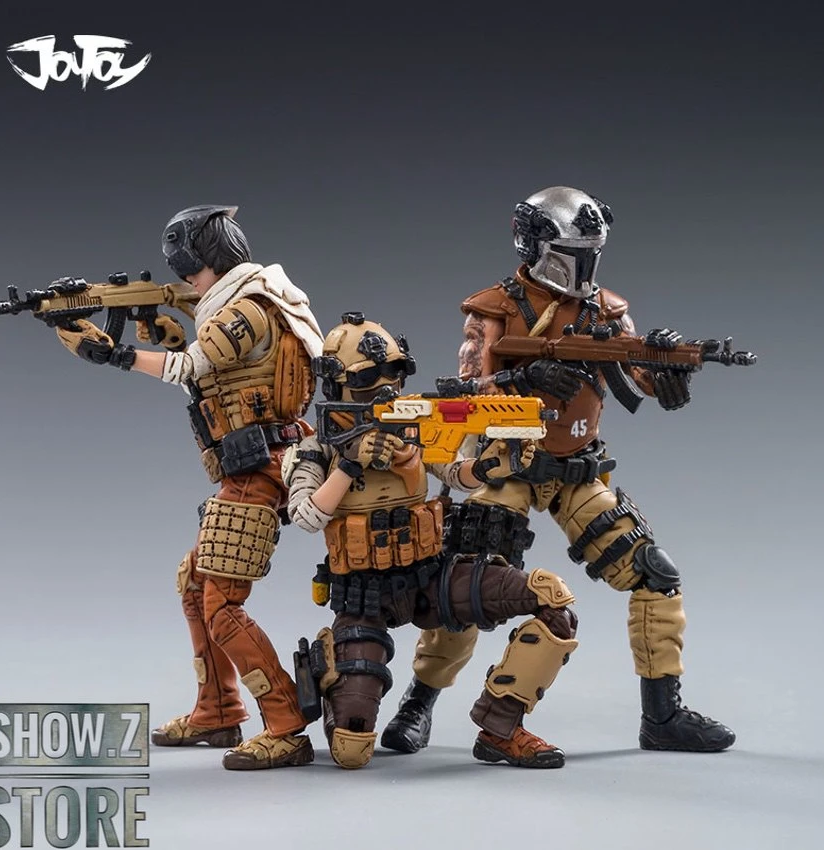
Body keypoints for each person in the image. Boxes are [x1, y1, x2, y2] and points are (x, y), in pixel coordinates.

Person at [383, 186, 736, 757]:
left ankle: (662, 716)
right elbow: (461, 394)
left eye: (592, 253)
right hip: (508, 465)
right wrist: (520, 380)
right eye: (576, 253)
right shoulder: (494, 310)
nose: (586, 265)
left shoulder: (606, 311)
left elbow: (641, 376)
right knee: (467, 587)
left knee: (654, 574)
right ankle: (418, 703)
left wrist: (671, 373)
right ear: (540, 247)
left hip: (577, 472)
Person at [54, 205, 324, 770]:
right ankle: (218, 709)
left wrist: (114, 354)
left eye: (188, 270)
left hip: (259, 469)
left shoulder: (247, 308)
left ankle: (286, 725)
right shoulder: (255, 299)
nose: (187, 281)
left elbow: (188, 368)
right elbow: (207, 370)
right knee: (195, 581)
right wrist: (155, 327)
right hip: (254, 462)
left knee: (221, 603)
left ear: (202, 258)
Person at [284, 312, 579, 769]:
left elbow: (457, 475)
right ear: (336, 384)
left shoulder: (411, 426)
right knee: (351, 748)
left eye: (394, 375)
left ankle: (500, 728)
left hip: (430, 576)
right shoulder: (316, 447)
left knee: (553, 600)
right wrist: (350, 463)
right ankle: (336, 677)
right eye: (367, 380)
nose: (385, 389)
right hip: (363, 594)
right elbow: (305, 515)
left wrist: (493, 464)